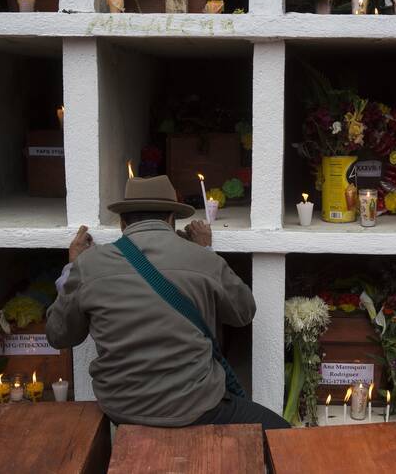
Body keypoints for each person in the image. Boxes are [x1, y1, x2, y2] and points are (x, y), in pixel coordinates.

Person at [46, 174, 289, 431]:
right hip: (196, 406)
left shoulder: (88, 264)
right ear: (172, 219)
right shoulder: (202, 258)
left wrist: (71, 267)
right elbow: (243, 312)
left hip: (121, 408)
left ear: (122, 223)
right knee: (284, 438)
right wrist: (206, 252)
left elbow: (58, 335)